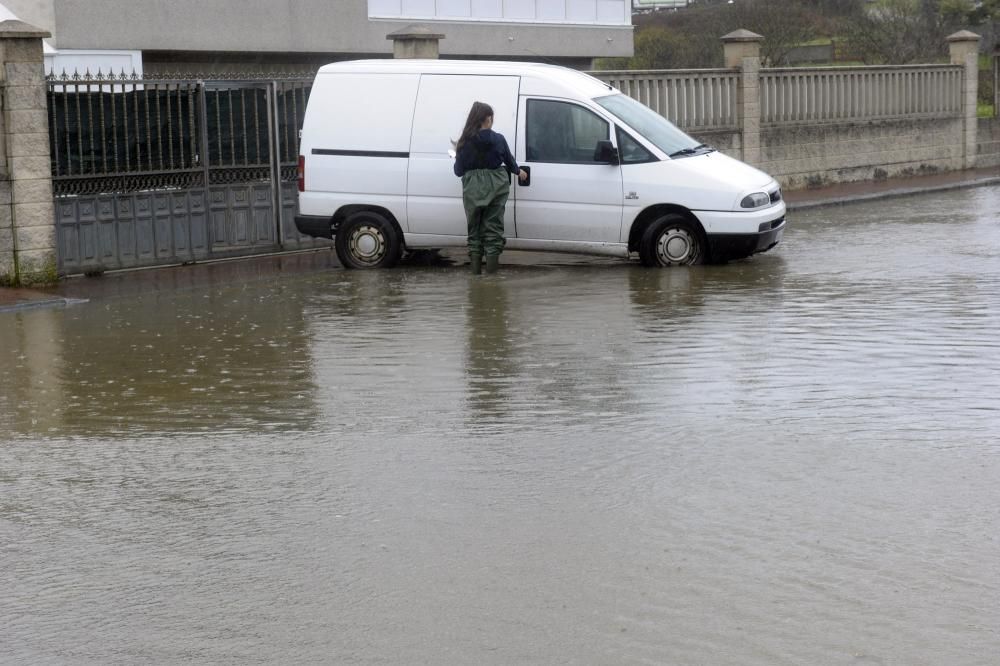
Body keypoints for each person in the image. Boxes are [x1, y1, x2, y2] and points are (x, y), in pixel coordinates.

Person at [453, 102, 528, 275]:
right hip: (496, 186)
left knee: (474, 232)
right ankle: (492, 279)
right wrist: (519, 172)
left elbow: (458, 172)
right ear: (488, 119)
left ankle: (476, 278)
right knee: (493, 230)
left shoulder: (464, 142)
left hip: (472, 188)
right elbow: (510, 162)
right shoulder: (498, 139)